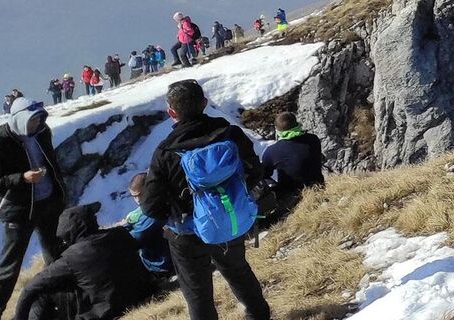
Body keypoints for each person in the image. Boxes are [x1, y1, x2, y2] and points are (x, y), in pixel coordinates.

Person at [140, 79, 271, 320]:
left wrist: (172, 215)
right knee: (238, 271)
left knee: (197, 292)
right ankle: (259, 316)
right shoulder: (230, 133)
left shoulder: (165, 152)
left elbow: (150, 205)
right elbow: (254, 170)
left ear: (172, 112)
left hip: (186, 233)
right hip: (229, 218)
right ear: (205, 103)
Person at [0, 99, 69, 320]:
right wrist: (22, 178)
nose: (36, 123)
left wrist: (59, 191)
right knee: (10, 266)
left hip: (48, 202)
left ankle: (63, 302)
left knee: (55, 256)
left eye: (39, 119)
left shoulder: (41, 132)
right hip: (18, 211)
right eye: (31, 120)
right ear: (18, 120)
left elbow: (51, 160)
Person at [13, 202, 158, 320]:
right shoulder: (120, 234)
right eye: (93, 218)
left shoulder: (72, 257)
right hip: (141, 294)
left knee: (42, 293)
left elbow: (30, 288)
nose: (96, 219)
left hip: (107, 311)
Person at [259, 112, 325, 217]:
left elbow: (263, 175)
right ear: (297, 124)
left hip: (290, 198)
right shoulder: (313, 139)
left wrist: (272, 185)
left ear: (277, 130)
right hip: (318, 188)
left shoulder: (272, 151)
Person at [124, 172, 174, 279]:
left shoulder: (153, 211)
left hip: (161, 265)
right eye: (134, 196)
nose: (137, 200)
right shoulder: (160, 199)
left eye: (139, 195)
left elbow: (136, 238)